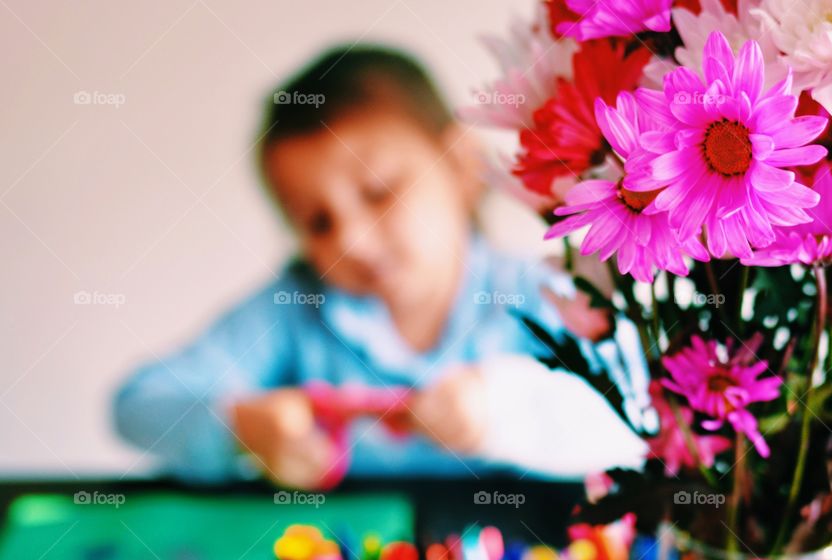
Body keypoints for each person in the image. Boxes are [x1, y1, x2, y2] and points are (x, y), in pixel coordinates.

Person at [113, 45, 644, 487]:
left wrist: (499, 407)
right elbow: (138, 405)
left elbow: (638, 421)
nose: (354, 241)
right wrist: (243, 427)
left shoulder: (544, 295)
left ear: (461, 165)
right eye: (318, 223)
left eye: (379, 192)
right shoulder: (292, 309)